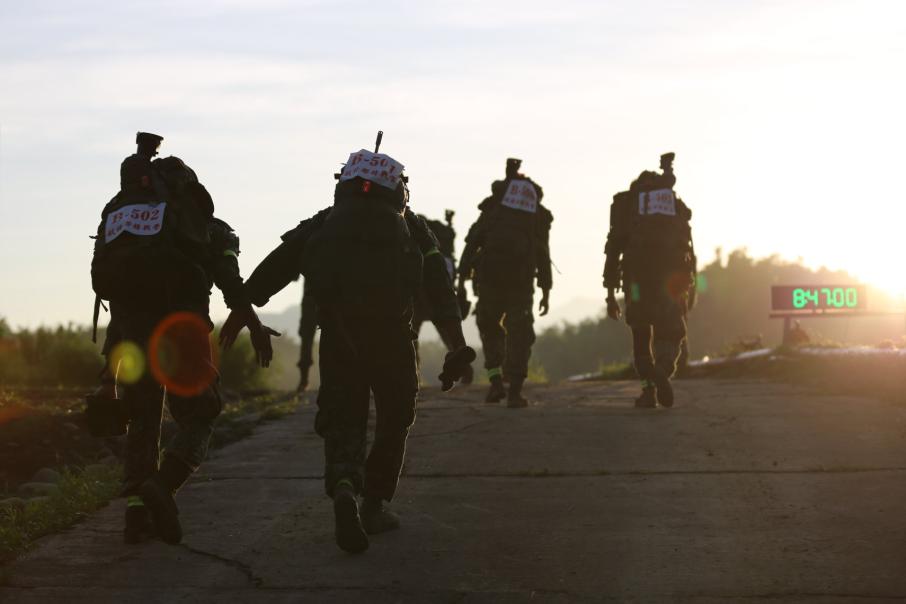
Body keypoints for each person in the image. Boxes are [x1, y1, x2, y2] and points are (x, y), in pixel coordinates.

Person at [221, 140, 474, 554]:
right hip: (393, 338)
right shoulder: (415, 228)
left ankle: (343, 486)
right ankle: (374, 505)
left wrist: (243, 307)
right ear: (399, 189)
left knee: (344, 418)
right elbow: (440, 291)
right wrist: (457, 345)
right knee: (395, 418)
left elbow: (279, 262)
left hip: (339, 337)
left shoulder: (324, 221)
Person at [90, 133, 273, 545]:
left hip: (131, 336)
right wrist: (255, 326)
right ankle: (164, 484)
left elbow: (117, 300)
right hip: (181, 332)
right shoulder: (204, 228)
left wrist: (108, 373)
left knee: (143, 420)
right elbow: (231, 281)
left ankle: (136, 516)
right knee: (201, 412)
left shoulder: (120, 224)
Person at [603, 152, 696, 408]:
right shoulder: (673, 205)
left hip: (636, 280)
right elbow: (687, 246)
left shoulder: (628, 205)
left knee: (641, 332)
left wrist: (610, 295)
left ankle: (648, 391)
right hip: (672, 280)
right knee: (671, 332)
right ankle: (662, 372)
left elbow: (613, 250)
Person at [458, 158, 552, 408]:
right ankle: (515, 392)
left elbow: (472, 242)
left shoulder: (493, 209)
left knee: (489, 329)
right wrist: (546, 289)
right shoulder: (535, 213)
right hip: (521, 282)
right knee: (520, 333)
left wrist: (461, 279)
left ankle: (496, 382)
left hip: (489, 280)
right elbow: (543, 252)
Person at [412, 210, 473, 384]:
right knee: (451, 336)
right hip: (438, 297)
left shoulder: (414, 245)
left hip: (419, 299)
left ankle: (414, 376)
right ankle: (465, 371)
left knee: (411, 339)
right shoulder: (438, 248)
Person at [296, 281, 318, 392]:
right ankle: (304, 381)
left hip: (310, 301)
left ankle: (304, 381)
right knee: (306, 340)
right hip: (311, 301)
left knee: (306, 340)